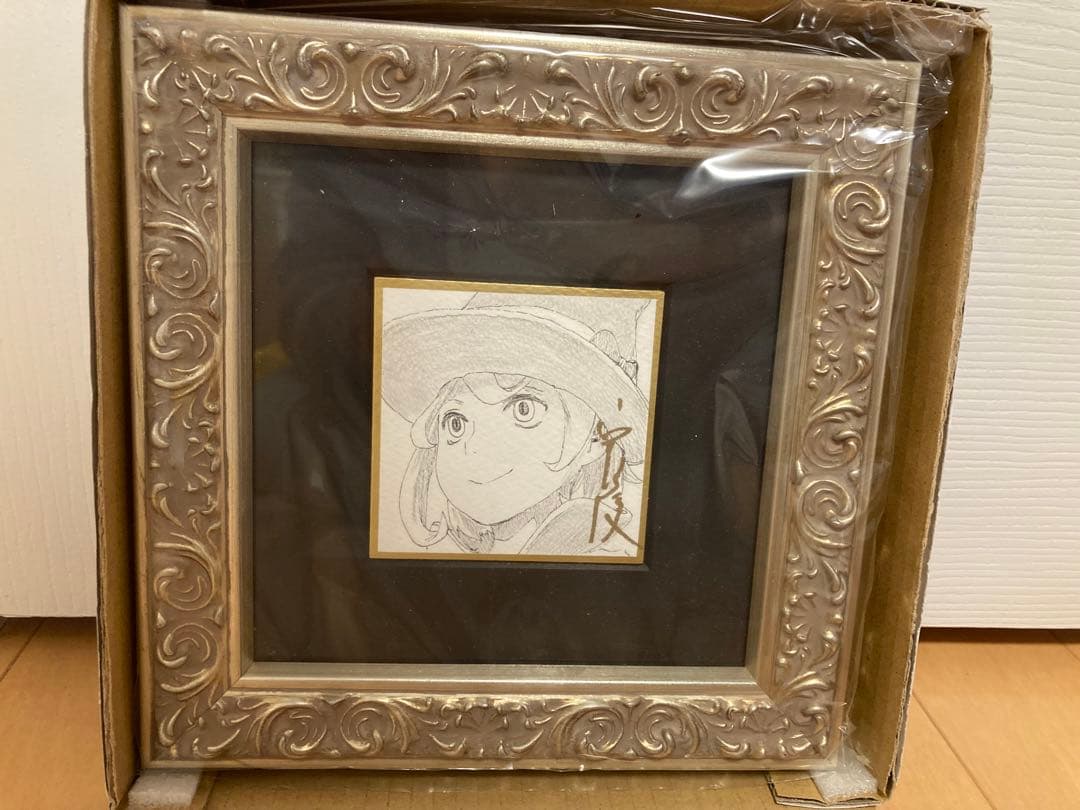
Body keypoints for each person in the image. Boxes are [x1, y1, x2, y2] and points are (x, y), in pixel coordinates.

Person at [378, 289, 657, 557]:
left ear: (596, 436)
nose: (475, 450)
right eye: (456, 423)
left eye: (524, 410)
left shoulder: (607, 547)